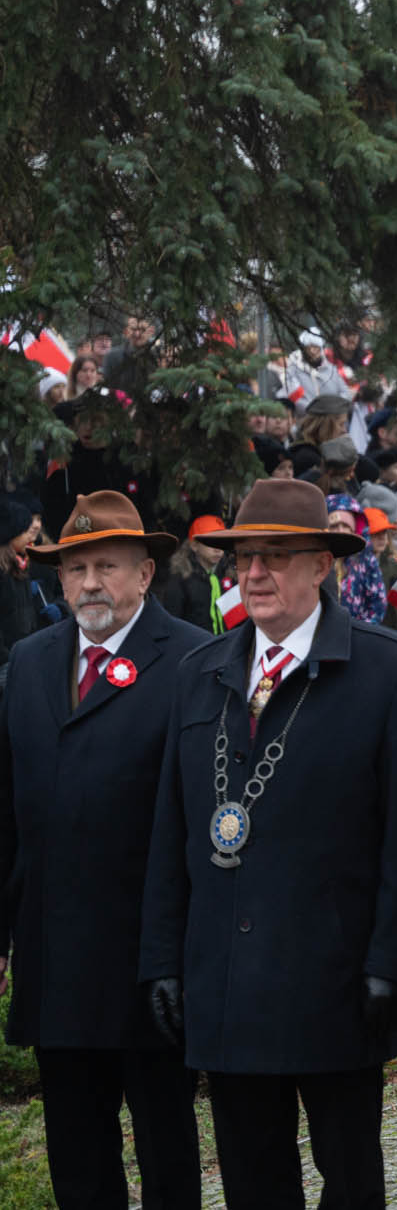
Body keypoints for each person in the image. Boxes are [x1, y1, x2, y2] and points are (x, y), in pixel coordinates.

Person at [138, 478, 397, 1210]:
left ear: (322, 567)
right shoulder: (199, 671)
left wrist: (392, 965)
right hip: (225, 980)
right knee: (252, 1181)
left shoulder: (393, 670)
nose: (254, 574)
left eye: (276, 557)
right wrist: (161, 959)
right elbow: (171, 830)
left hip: (337, 982)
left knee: (350, 1177)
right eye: (243, 558)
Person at [0, 493, 207, 1210]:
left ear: (145, 574)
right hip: (56, 956)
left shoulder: (192, 660)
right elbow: (6, 808)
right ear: (57, 580)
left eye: (107, 566)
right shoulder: (28, 661)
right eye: (76, 567)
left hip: (151, 966)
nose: (90, 582)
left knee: (167, 1151)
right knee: (78, 1160)